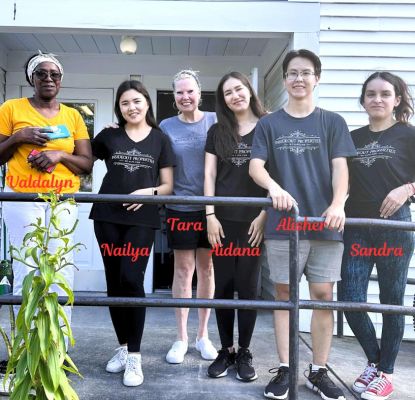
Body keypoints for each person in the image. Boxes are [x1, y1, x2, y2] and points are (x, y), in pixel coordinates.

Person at [249, 49, 356, 400]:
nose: (299, 79)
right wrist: (274, 188)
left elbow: (341, 168)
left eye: (306, 72)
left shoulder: (333, 122)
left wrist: (338, 203)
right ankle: (286, 368)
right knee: (283, 294)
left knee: (323, 296)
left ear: (317, 78)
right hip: (284, 225)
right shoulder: (269, 124)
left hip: (325, 223)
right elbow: (256, 166)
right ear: (284, 80)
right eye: (293, 73)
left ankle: (318, 371)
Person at [0, 51, 92, 336]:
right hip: (22, 198)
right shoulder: (11, 108)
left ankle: (57, 344)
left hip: (61, 200)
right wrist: (19, 137)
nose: (49, 78)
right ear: (32, 78)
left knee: (60, 269)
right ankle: (26, 346)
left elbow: (86, 164)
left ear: (61, 80)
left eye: (55, 74)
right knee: (27, 269)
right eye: (41, 73)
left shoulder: (73, 115)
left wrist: (58, 155)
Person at [90, 80, 175, 387]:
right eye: (125, 103)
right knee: (114, 281)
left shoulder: (160, 139)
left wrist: (149, 192)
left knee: (131, 278)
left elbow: (168, 186)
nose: (132, 107)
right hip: (107, 216)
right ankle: (123, 348)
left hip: (142, 220)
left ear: (147, 103)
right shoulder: (109, 135)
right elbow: (83, 159)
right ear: (119, 108)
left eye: (137, 101)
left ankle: (135, 358)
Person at [339, 72, 415, 400]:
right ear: (363, 100)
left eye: (385, 94)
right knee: (350, 298)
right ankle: (374, 361)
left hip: (394, 227)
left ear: (397, 99)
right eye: (371, 94)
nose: (377, 99)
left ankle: (386, 374)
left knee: (391, 301)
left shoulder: (408, 135)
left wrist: (408, 188)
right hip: (356, 225)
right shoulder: (352, 138)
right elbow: (339, 179)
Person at [204, 71, 267, 382]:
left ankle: (245, 351)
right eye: (228, 92)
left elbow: (277, 174)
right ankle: (226, 350)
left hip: (255, 222)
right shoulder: (218, 131)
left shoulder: (268, 125)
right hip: (223, 221)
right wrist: (210, 215)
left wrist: (265, 214)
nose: (235, 96)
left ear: (249, 91)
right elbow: (209, 175)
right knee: (224, 286)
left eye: (239, 89)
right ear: (223, 100)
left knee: (249, 286)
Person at [160, 69, 218, 364]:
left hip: (211, 209)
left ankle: (203, 336)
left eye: (190, 91)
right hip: (179, 207)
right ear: (174, 96)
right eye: (180, 92)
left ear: (199, 93)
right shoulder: (166, 126)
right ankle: (181, 338)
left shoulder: (215, 121)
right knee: (183, 270)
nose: (185, 97)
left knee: (206, 269)